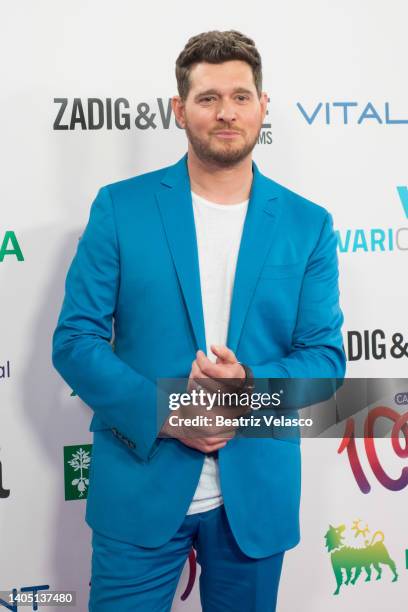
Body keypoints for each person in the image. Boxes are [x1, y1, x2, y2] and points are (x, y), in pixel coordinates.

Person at [52, 30, 346, 612]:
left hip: (255, 494)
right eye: (208, 98)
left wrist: (249, 389)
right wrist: (168, 415)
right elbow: (75, 342)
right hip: (139, 485)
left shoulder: (307, 224)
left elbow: (326, 360)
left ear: (264, 107)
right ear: (179, 109)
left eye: (240, 96)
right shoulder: (121, 206)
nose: (226, 112)